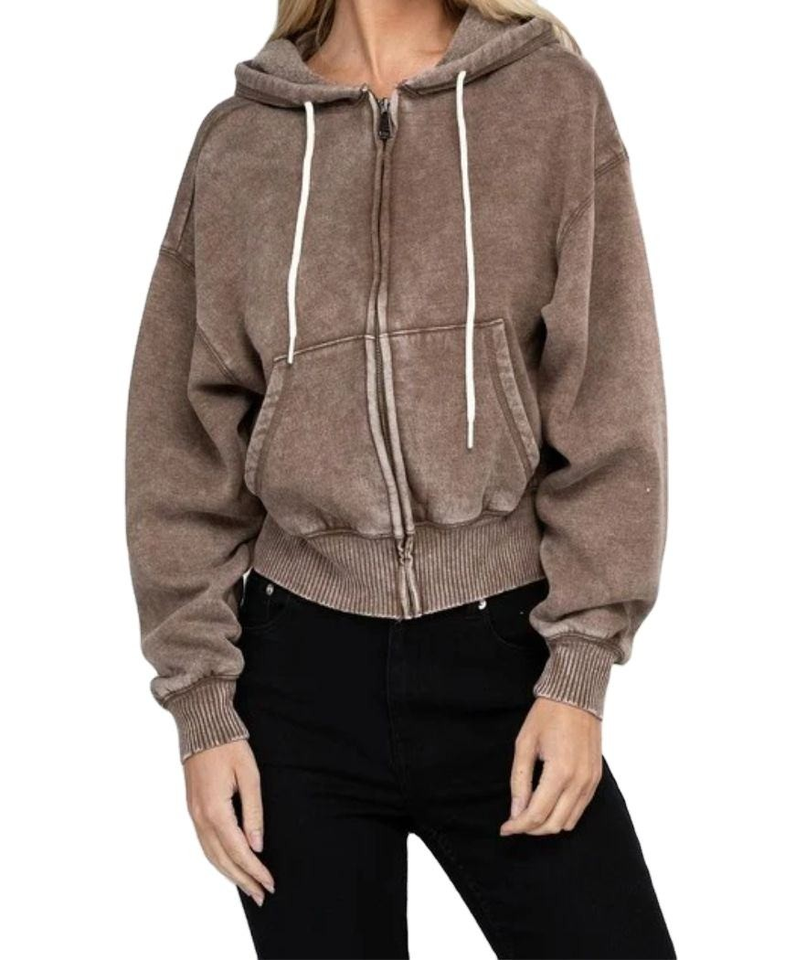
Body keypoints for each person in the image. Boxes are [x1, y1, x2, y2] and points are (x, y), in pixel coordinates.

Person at [125, 1, 675, 957]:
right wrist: (202, 710)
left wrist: (580, 671)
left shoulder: (549, 99)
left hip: (506, 661)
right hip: (296, 682)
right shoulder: (241, 143)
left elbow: (611, 402)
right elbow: (178, 447)